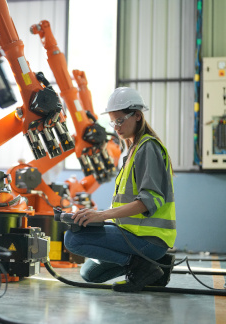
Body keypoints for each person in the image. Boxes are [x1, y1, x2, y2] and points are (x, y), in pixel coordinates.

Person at [63, 87, 176, 293]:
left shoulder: (147, 148)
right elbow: (124, 203)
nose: (116, 127)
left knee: (72, 239)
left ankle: (142, 265)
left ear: (138, 116)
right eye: (113, 122)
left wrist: (101, 216)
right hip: (131, 233)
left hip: (149, 239)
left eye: (120, 120)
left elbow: (147, 201)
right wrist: (94, 217)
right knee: (89, 273)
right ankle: (152, 266)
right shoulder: (132, 151)